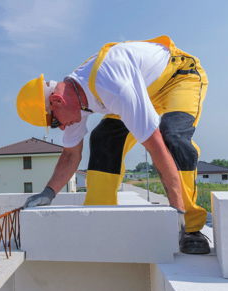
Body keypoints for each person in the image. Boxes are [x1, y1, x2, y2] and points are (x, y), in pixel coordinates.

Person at [16, 35, 209, 254]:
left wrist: (176, 215)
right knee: (103, 140)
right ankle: (100, 217)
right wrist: (47, 193)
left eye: (54, 122)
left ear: (57, 101)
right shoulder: (72, 102)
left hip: (177, 77)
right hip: (141, 88)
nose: (60, 128)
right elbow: (71, 155)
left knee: (173, 137)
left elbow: (155, 147)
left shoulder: (112, 84)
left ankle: (191, 228)